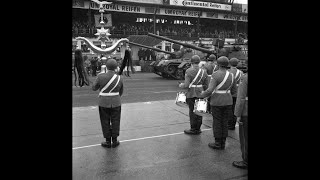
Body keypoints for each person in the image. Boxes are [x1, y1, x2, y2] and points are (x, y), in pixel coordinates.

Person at [200, 56, 237, 150]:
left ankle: (217, 143)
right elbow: (234, 91)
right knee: (224, 122)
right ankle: (223, 142)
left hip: (217, 101)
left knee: (217, 122)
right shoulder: (231, 75)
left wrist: (202, 94)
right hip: (228, 101)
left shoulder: (215, 75)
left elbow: (210, 90)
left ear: (218, 64)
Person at [92, 59, 124, 148]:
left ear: (106, 67)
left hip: (103, 102)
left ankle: (107, 141)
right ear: (116, 67)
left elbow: (94, 88)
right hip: (116, 102)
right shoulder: (120, 77)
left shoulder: (100, 76)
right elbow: (121, 91)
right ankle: (114, 141)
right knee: (116, 121)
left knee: (105, 121)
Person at [179, 55, 209, 135]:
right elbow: (206, 85)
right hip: (201, 93)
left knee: (192, 112)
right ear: (199, 62)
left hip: (191, 93)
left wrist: (181, 85)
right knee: (199, 111)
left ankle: (193, 129)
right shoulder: (204, 71)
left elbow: (186, 85)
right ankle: (198, 128)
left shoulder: (189, 71)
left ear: (191, 62)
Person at [232, 68, 248, 169]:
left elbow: (241, 97)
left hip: (246, 111)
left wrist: (237, 114)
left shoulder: (245, 78)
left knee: (245, 138)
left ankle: (246, 161)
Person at [228, 58, 243, 130]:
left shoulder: (229, 72)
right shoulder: (241, 72)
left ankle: (230, 124)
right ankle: (233, 124)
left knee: (229, 109)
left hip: (230, 92)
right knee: (234, 108)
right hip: (238, 92)